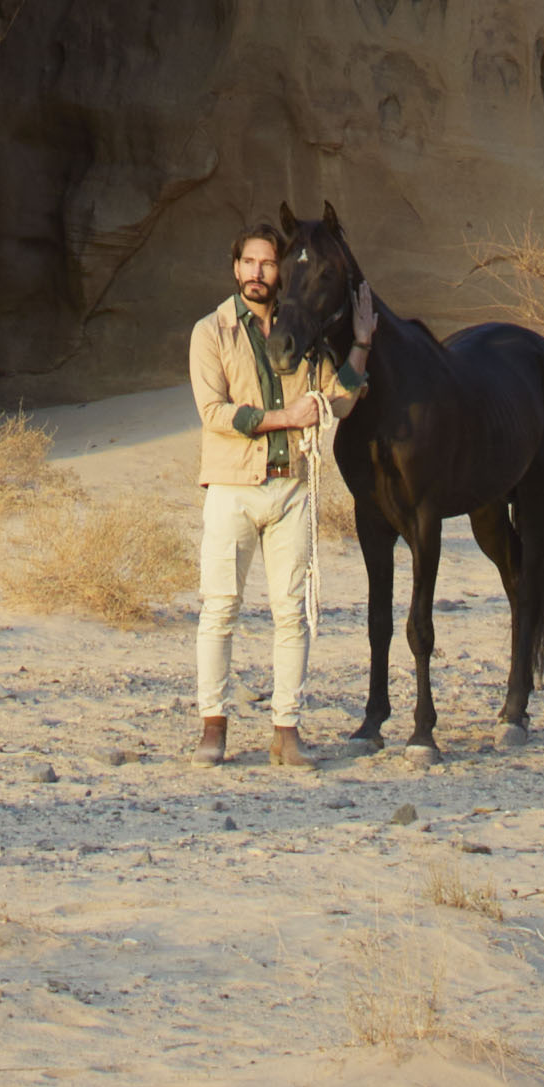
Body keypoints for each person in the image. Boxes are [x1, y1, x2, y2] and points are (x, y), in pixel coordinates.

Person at [183, 221, 348, 764]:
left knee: (289, 613)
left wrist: (363, 344)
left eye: (268, 264)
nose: (258, 273)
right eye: (249, 263)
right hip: (232, 486)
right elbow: (214, 413)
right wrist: (285, 418)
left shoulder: (299, 330)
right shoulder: (212, 331)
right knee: (220, 609)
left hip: (291, 488)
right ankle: (213, 727)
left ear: (281, 271)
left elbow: (339, 396)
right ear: (236, 270)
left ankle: (287, 730)